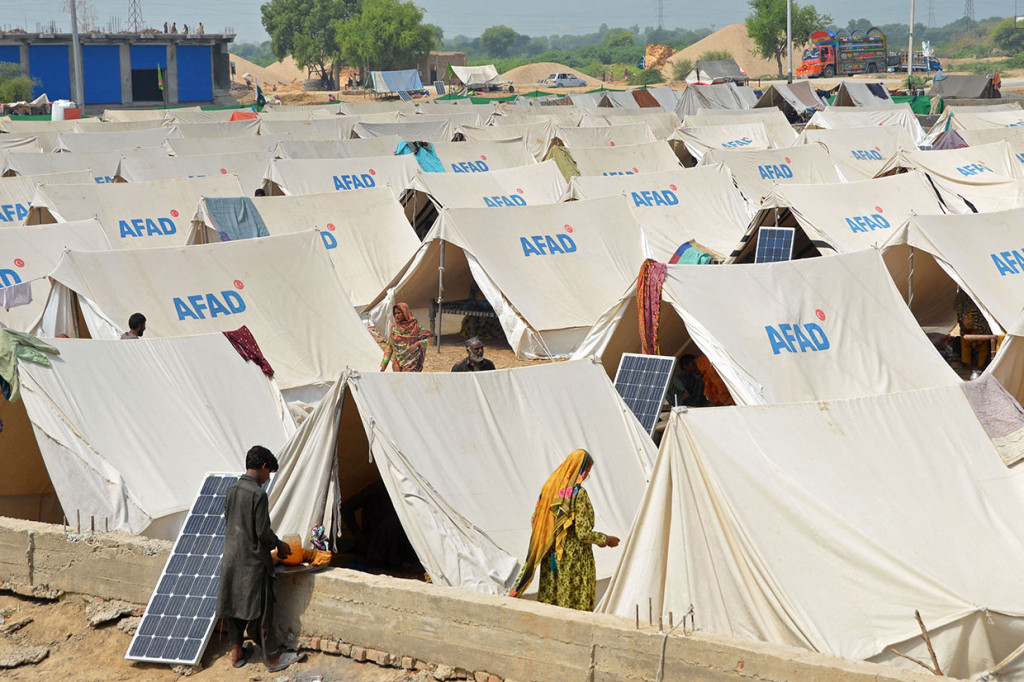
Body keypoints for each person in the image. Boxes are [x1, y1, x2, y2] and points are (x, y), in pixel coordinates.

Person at [217, 446, 305, 673]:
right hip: (253, 564)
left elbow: (233, 523)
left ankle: (237, 653)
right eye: (269, 473)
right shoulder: (258, 494)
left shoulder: (232, 489)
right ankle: (274, 659)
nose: (267, 479)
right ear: (264, 466)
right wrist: (280, 544)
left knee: (235, 607)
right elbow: (262, 532)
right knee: (264, 610)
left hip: (231, 560)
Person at [508, 449, 619, 611]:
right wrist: (606, 540)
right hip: (573, 562)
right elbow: (583, 533)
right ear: (578, 468)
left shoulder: (549, 489)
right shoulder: (578, 494)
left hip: (550, 558)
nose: (586, 474)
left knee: (550, 605)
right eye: (586, 470)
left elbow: (536, 520)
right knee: (572, 609)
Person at [380, 303, 432, 373]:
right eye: (395, 313)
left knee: (408, 381)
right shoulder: (394, 328)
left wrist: (418, 343)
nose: (396, 316)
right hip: (398, 361)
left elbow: (429, 341)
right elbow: (390, 346)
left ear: (405, 312)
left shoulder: (416, 327)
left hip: (412, 362)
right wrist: (384, 365)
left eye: (399, 313)